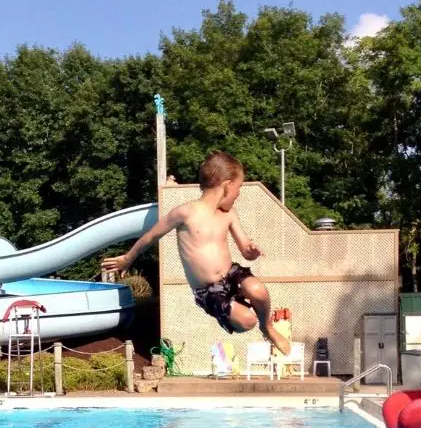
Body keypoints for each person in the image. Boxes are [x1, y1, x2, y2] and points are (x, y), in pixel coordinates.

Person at [101, 151, 292, 356]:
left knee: (258, 290)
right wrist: (127, 258)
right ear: (227, 185)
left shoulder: (229, 214)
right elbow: (150, 236)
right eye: (239, 188)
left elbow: (245, 248)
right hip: (207, 289)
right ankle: (235, 316)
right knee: (247, 321)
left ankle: (267, 328)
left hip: (231, 273)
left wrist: (251, 251)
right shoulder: (185, 212)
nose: (238, 194)